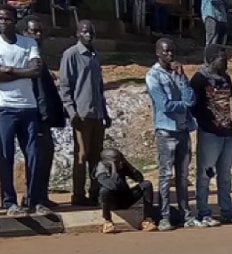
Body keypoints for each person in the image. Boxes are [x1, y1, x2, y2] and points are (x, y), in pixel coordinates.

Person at [58, 19, 109, 209]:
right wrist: (71, 111)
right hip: (81, 114)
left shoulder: (95, 55)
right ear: (78, 33)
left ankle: (95, 192)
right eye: (85, 32)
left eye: (91, 32)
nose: (88, 35)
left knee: (97, 155)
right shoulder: (71, 55)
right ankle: (78, 194)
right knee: (82, 154)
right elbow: (65, 86)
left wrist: (105, 112)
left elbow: (99, 87)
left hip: (97, 114)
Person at [145, 38, 195, 229]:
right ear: (158, 53)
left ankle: (186, 214)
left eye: (172, 51)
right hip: (166, 130)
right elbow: (164, 104)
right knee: (166, 175)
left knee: (183, 176)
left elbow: (191, 97)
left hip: (183, 130)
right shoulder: (153, 76)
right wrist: (185, 105)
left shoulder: (177, 73)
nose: (170, 55)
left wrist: (182, 78)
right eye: (166, 52)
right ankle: (164, 215)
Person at [0, 3, 44, 217]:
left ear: (15, 21)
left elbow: (36, 70)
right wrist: (22, 71)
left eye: (7, 19)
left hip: (28, 106)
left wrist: (9, 70)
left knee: (34, 154)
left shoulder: (29, 42)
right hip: (4, 108)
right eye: (0, 18)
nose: (3, 22)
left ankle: (34, 200)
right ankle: (10, 202)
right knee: (5, 155)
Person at [189, 44, 232, 226]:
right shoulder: (199, 79)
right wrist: (207, 122)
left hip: (227, 131)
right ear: (210, 59)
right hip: (209, 134)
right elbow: (192, 106)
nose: (225, 63)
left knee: (225, 174)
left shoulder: (225, 78)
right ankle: (203, 212)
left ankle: (227, 211)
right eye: (222, 59)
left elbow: (227, 101)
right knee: (205, 174)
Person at [23, 15, 62, 215]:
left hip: (45, 117)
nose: (38, 35)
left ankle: (41, 196)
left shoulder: (39, 57)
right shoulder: (27, 58)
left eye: (40, 31)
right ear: (25, 33)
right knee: (37, 156)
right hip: (34, 116)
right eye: (33, 31)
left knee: (46, 155)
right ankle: (32, 198)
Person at [95, 148, 157, 233]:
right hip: (112, 203)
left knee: (147, 184)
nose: (120, 162)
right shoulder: (100, 170)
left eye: (121, 159)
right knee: (104, 191)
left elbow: (139, 178)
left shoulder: (121, 165)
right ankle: (107, 221)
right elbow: (113, 186)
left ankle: (147, 220)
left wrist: (127, 165)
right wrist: (114, 169)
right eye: (117, 160)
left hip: (125, 198)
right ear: (107, 161)